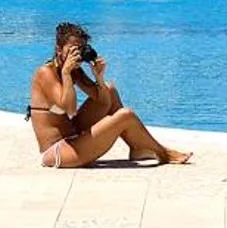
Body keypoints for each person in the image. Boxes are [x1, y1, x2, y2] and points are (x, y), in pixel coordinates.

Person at [27, 22, 191, 168]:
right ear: (58, 49)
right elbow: (69, 109)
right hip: (57, 151)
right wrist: (67, 74)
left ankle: (137, 147)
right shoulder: (45, 73)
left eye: (80, 49)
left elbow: (104, 102)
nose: (76, 55)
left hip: (72, 135)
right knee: (126, 115)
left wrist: (98, 76)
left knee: (109, 89)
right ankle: (164, 153)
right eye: (72, 49)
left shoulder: (73, 71)